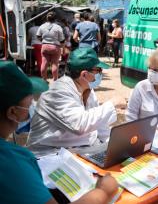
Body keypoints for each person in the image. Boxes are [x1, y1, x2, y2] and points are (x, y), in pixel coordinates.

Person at [0, 61, 118, 204]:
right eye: (29, 104)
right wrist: (103, 191)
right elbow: (79, 124)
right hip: (48, 158)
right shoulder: (11, 161)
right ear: (12, 112)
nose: (33, 108)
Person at [26, 47, 126, 156]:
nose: (100, 74)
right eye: (98, 70)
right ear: (84, 74)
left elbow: (100, 125)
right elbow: (79, 125)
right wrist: (112, 104)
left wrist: (111, 144)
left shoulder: (87, 90)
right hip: (50, 155)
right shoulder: (57, 92)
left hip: (77, 150)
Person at [37, 11, 65, 81]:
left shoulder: (42, 26)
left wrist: (43, 41)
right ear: (55, 19)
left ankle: (44, 79)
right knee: (55, 64)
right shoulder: (58, 27)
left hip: (45, 46)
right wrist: (62, 47)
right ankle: (55, 80)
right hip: (55, 47)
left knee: (44, 63)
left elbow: (38, 36)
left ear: (47, 18)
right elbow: (62, 40)